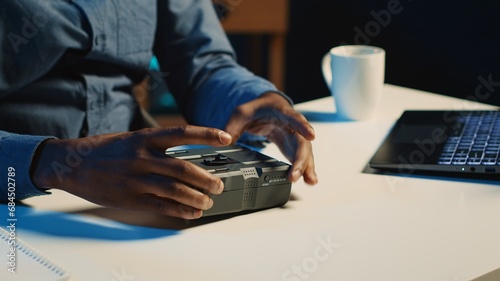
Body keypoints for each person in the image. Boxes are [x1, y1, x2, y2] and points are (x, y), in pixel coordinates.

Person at [0, 0, 317, 219]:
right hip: (18, 208)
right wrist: (59, 164)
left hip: (145, 190)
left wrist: (254, 98)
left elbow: (201, 60)